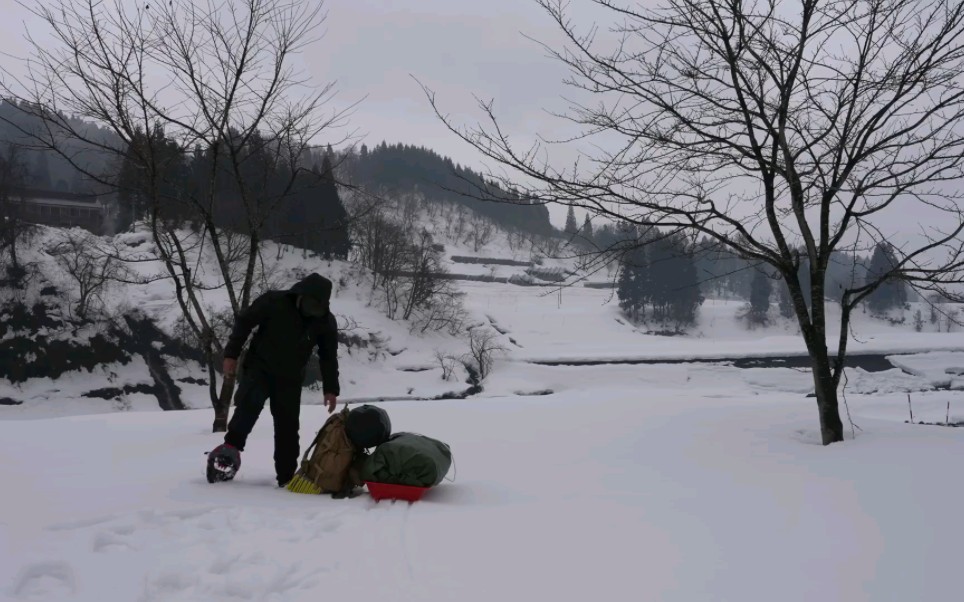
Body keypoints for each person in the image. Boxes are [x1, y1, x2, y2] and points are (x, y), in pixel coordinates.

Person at [206, 273, 340, 486]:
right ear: (300, 296)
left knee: (288, 426)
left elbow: (328, 357)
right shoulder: (274, 301)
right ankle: (228, 453)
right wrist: (231, 354)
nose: (313, 313)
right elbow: (244, 322)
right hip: (260, 367)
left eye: (318, 308)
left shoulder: (324, 320)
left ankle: (286, 476)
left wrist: (331, 389)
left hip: (290, 377)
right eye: (311, 306)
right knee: (248, 408)